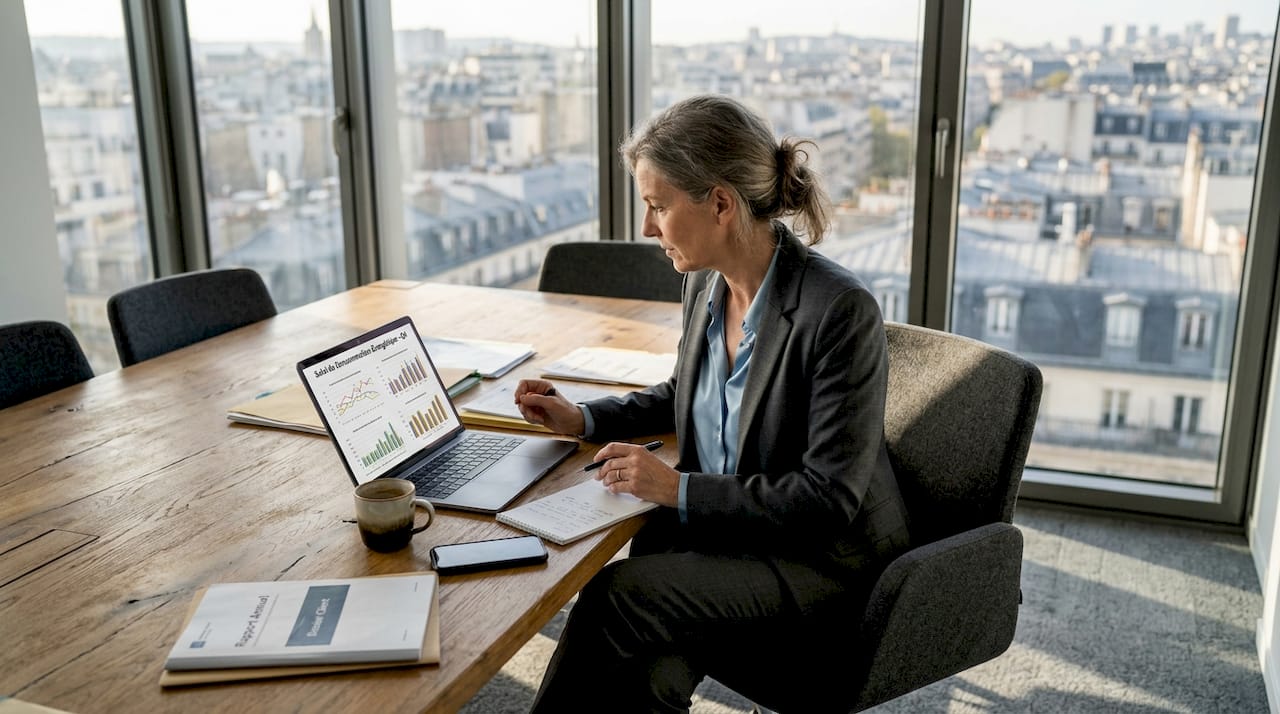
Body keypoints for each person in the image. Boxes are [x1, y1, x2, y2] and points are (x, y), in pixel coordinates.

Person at [513, 94, 912, 713]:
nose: (647, 228)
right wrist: (585, 417)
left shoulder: (838, 311)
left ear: (721, 203)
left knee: (620, 597)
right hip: (728, 536)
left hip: (819, 561)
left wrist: (677, 491)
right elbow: (687, 392)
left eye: (657, 205)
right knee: (646, 666)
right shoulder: (703, 282)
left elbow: (829, 499)